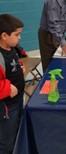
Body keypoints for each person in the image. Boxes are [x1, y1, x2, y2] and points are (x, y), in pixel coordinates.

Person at [0, 14, 27, 154]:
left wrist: (19, 66)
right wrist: (7, 87)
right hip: (7, 107)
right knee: (7, 141)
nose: (20, 37)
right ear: (4, 35)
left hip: (18, 100)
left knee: (17, 131)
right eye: (17, 34)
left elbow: (14, 61)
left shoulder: (13, 48)